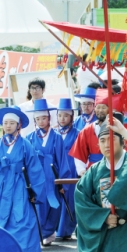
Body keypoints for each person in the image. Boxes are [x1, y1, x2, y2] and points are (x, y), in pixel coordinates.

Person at [75, 113, 127, 252]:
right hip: (107, 233)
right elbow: (81, 201)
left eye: (111, 139)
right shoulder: (94, 171)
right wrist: (103, 217)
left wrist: (123, 131)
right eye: (102, 140)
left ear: (123, 141)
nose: (107, 145)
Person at [26, 99, 71, 246]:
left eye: (43, 118)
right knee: (39, 205)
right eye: (37, 119)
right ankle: (40, 233)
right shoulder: (30, 138)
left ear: (49, 118)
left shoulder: (57, 137)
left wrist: (63, 181)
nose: (41, 121)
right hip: (37, 177)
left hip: (52, 175)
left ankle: (49, 232)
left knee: (53, 205)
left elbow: (63, 160)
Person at [0, 106, 45, 252]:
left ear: (18, 125)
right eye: (5, 122)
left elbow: (35, 169)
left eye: (12, 123)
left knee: (23, 221)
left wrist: (35, 192)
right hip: (2, 186)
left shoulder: (26, 144)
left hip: (21, 187)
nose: (8, 126)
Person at [70, 89, 117, 176]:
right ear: (94, 108)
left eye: (103, 107)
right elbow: (79, 152)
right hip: (93, 170)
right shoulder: (86, 130)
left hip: (114, 168)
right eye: (98, 107)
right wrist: (81, 170)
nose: (100, 110)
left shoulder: (117, 128)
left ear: (109, 109)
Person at [55, 98, 80, 240]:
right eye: (60, 115)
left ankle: (66, 230)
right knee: (57, 199)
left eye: (65, 115)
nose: (62, 119)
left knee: (69, 200)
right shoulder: (53, 133)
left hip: (71, 169)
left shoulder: (78, 133)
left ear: (71, 117)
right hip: (56, 169)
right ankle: (56, 229)